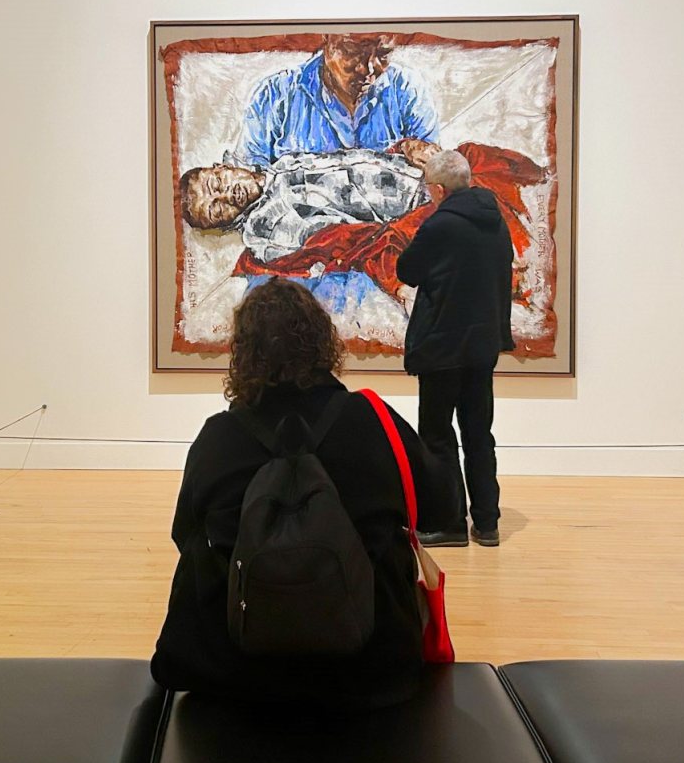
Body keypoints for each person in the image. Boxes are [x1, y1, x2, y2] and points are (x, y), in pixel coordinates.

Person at [150, 278, 428, 708]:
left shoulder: (218, 437)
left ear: (242, 353)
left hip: (232, 674)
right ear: (323, 343)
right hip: (372, 673)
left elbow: (182, 533)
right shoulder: (374, 421)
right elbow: (440, 504)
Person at [395, 150, 516, 548]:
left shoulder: (440, 225)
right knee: (479, 433)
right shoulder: (496, 223)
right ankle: (487, 522)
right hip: (482, 347)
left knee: (436, 436)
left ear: (437, 189)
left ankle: (447, 523)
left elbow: (406, 271)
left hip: (442, 346)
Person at [180, 148, 428, 262]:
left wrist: (405, 151)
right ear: (223, 224)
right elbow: (341, 239)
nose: (226, 196)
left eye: (216, 185)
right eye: (217, 209)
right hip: (417, 216)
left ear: (220, 167)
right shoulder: (264, 229)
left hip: (421, 176)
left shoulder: (282, 164)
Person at [236, 33, 440, 169]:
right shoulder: (275, 95)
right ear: (326, 39)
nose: (369, 69)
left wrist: (417, 151)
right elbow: (248, 178)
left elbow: (436, 179)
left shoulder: (407, 88)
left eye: (382, 54)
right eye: (353, 52)